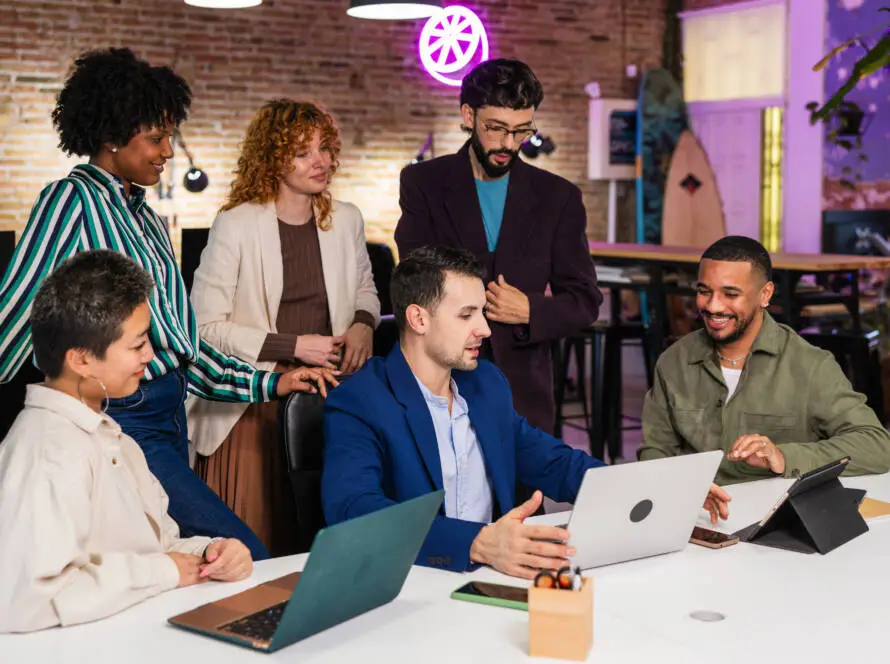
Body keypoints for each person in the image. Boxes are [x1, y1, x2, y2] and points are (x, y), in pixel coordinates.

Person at [0, 48, 334, 562]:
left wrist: (270, 381)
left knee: (168, 560)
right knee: (243, 553)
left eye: (169, 138)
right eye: (156, 138)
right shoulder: (71, 202)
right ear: (112, 137)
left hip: (169, 414)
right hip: (123, 416)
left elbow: (181, 344)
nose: (168, 152)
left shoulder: (149, 220)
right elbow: (15, 313)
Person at [0, 251, 254, 633]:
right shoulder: (47, 450)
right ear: (82, 360)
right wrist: (162, 571)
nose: (150, 355)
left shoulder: (114, 439)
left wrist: (210, 552)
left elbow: (159, 549)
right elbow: (24, 600)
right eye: (137, 346)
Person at [322, 246, 606, 579]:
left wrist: (627, 490)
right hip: (410, 585)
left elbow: (551, 460)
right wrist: (477, 542)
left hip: (490, 578)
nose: (484, 329)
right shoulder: (360, 400)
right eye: (466, 314)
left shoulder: (486, 384)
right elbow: (355, 512)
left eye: (482, 312)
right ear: (418, 319)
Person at [188, 99, 379, 555]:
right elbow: (204, 327)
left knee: (318, 543)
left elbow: (366, 291)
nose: (322, 162)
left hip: (325, 400)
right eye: (302, 152)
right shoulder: (235, 225)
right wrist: (294, 345)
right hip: (252, 406)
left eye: (324, 149)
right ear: (273, 158)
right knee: (257, 551)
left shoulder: (346, 219)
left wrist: (363, 325)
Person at [394, 59, 601, 436]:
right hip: (438, 383)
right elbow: (412, 278)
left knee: (522, 495)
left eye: (521, 131)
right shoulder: (423, 183)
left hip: (521, 394)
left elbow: (585, 301)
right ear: (468, 115)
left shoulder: (559, 197)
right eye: (496, 129)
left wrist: (530, 310)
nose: (508, 144)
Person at [640, 235, 890, 487]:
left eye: (730, 294)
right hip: (695, 516)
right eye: (705, 292)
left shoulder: (809, 365)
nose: (713, 306)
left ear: (765, 294)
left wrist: (784, 457)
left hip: (772, 520)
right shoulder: (674, 361)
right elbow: (655, 451)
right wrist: (681, 490)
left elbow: (876, 445)